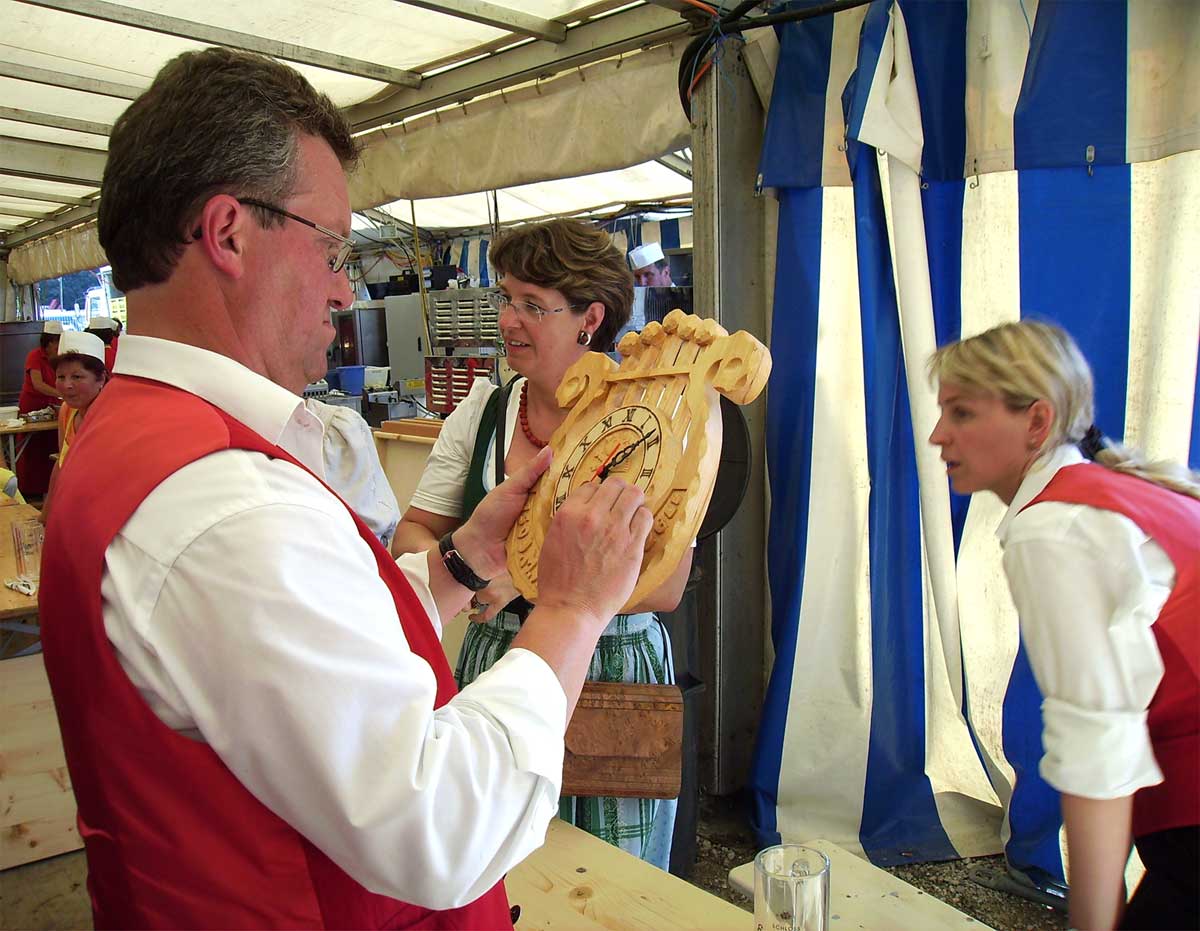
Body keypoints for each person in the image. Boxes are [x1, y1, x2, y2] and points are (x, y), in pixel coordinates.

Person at [38, 47, 652, 930]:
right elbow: (439, 828)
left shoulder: (139, 439)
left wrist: (459, 562)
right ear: (229, 233)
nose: (344, 286)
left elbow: (302, 656)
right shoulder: (226, 501)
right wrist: (572, 611)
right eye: (330, 245)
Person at [393, 218, 691, 870]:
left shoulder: (653, 417)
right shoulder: (487, 411)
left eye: (532, 305)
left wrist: (525, 583)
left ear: (590, 317)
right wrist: (471, 570)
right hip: (497, 660)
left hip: (613, 666)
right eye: (505, 298)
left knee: (616, 877)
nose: (507, 320)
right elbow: (412, 532)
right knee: (499, 861)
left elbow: (666, 585)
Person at [927, 320, 1198, 931]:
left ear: (1037, 422)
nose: (937, 435)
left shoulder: (1053, 529)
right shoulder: (1113, 492)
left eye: (962, 413)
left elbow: (1099, 749)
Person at [39, 331, 108, 525]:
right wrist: (45, 517)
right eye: (61, 377)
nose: (67, 385)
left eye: (77, 377)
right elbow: (61, 464)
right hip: (74, 513)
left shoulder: (110, 416)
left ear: (101, 378)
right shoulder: (67, 411)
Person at [15, 320, 62, 497]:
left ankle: (50, 491)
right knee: (33, 450)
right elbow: (38, 384)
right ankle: (30, 492)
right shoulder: (35, 356)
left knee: (50, 447)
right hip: (32, 406)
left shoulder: (59, 358)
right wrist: (61, 393)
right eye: (57, 343)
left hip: (52, 406)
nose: (59, 347)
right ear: (49, 342)